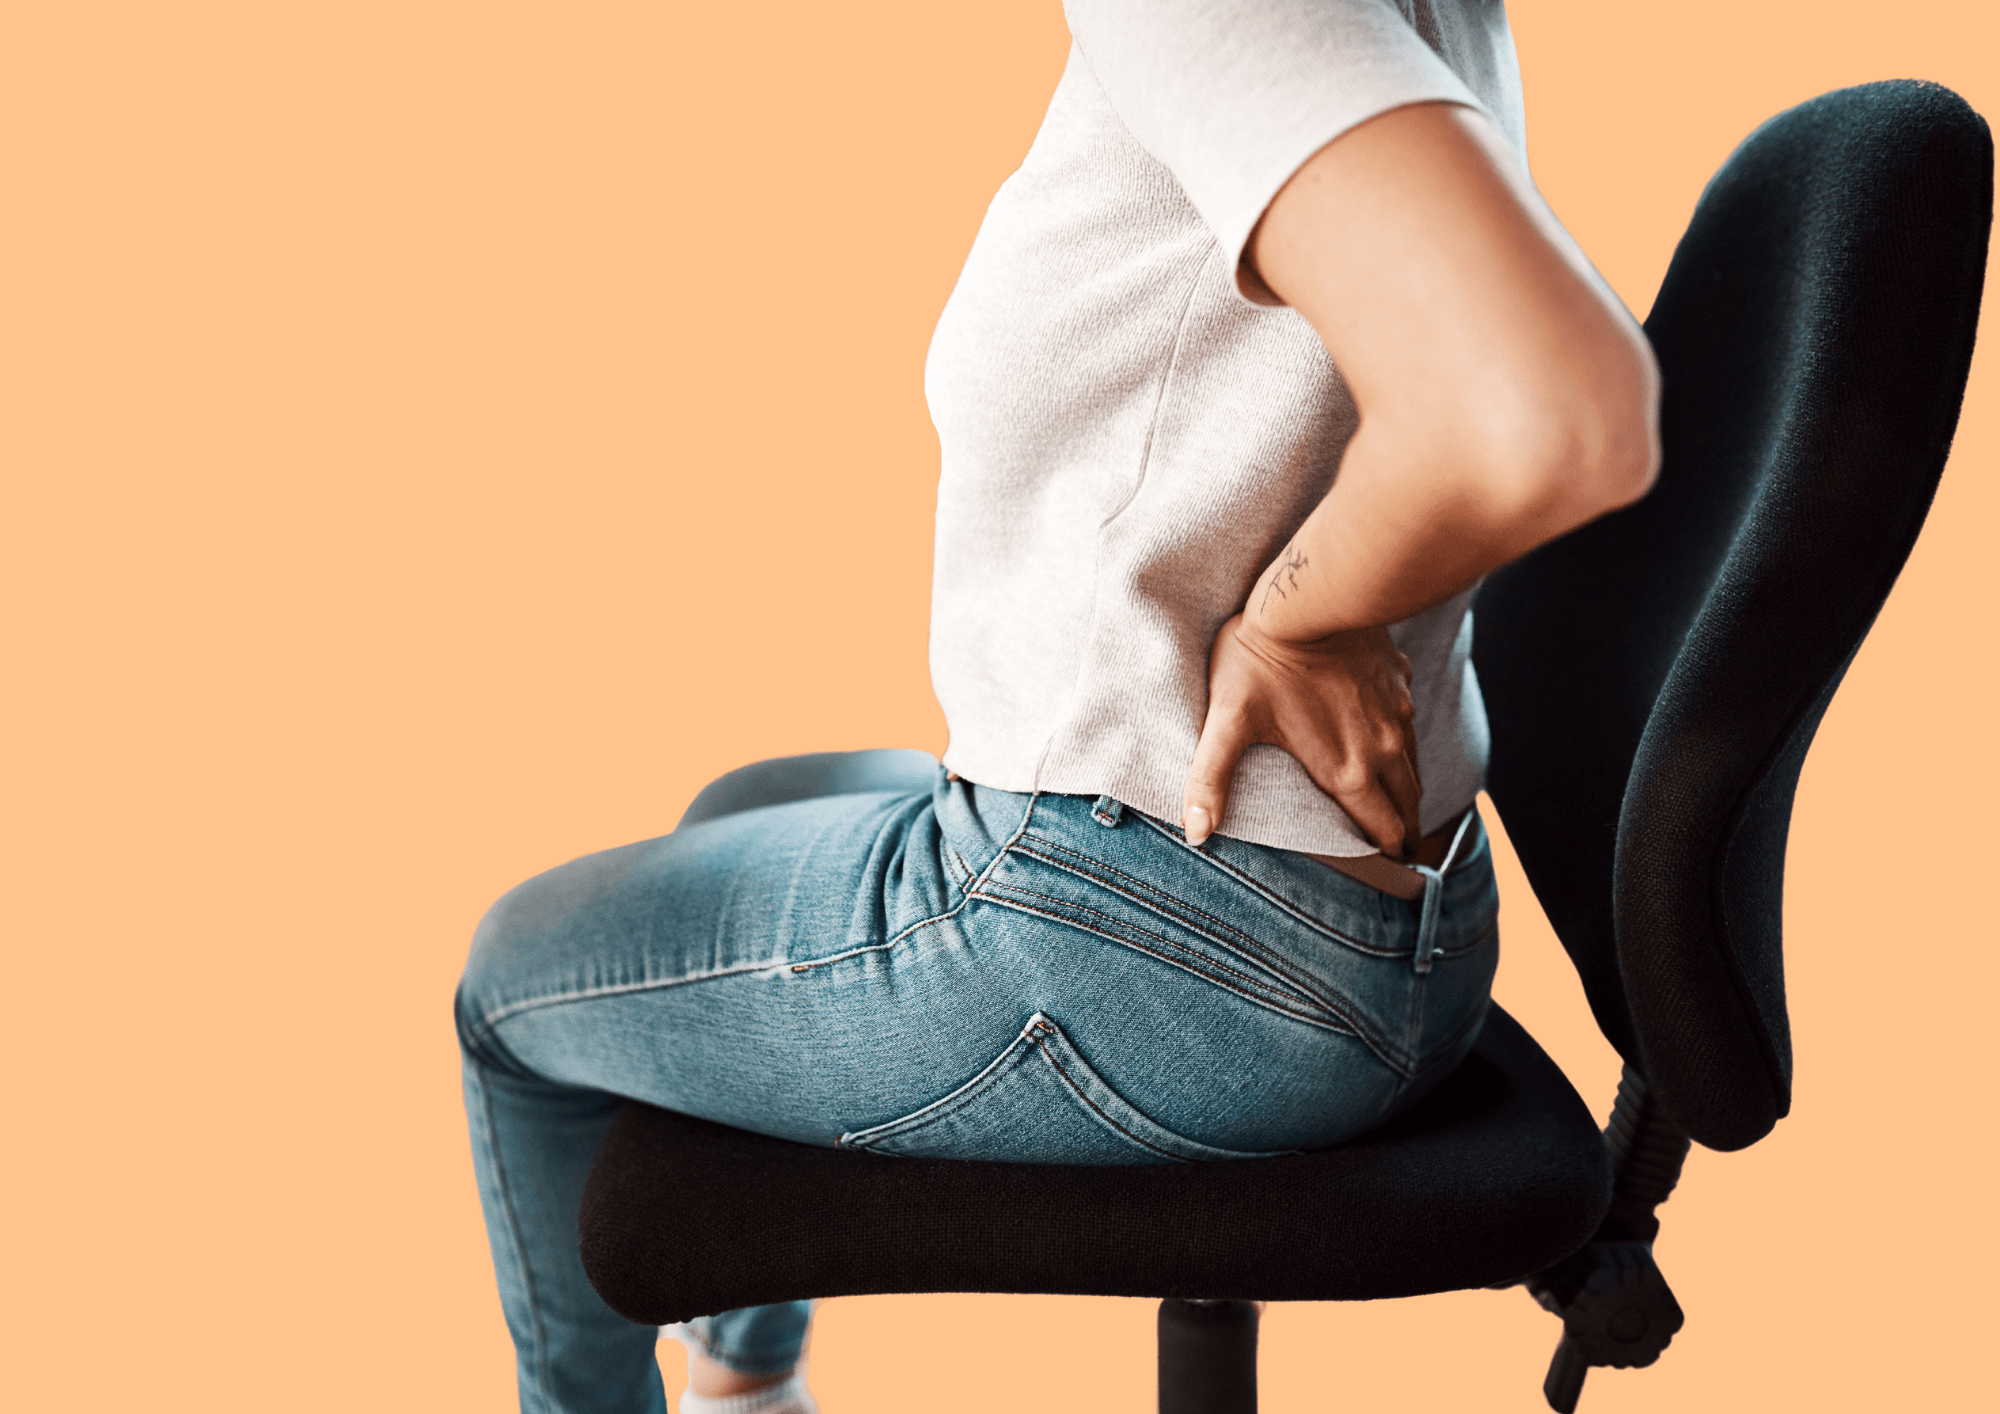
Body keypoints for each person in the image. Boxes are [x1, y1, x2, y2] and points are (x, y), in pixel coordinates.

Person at [455, 2, 1660, 1411]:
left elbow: (1550, 407)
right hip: (1394, 928)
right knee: (750, 804)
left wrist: (1301, 613)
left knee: (512, 984)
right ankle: (746, 1385)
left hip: (1145, 925)